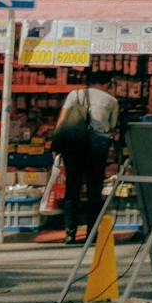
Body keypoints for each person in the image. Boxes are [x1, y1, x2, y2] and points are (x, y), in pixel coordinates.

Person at [51, 70, 120, 245]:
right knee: (94, 191)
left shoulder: (75, 94)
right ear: (107, 84)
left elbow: (63, 119)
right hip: (96, 147)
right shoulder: (111, 101)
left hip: (73, 145)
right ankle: (92, 233)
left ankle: (70, 233)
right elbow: (111, 127)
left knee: (72, 189)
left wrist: (57, 143)